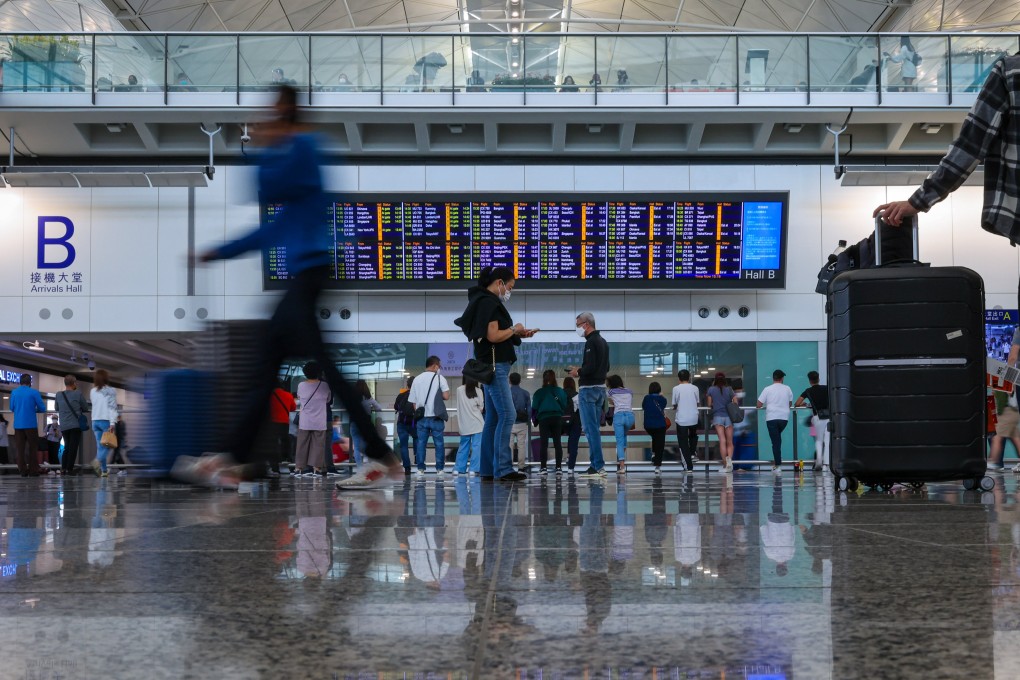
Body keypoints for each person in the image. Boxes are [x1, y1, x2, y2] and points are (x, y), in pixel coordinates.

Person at [190, 85, 397, 490]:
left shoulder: (305, 148)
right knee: (270, 366)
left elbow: (266, 184)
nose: (266, 123)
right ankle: (232, 459)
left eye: (273, 114)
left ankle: (378, 456)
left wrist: (268, 143)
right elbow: (266, 218)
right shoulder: (293, 169)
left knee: (308, 369)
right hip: (305, 276)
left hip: (313, 272)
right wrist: (221, 251)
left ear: (288, 112)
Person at [453, 265, 537, 483]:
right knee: (508, 415)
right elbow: (493, 335)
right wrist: (514, 328)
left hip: (492, 367)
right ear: (499, 283)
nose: (510, 291)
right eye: (509, 287)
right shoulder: (489, 302)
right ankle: (503, 468)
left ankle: (489, 469)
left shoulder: (480, 301)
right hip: (496, 367)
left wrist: (520, 334)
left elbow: (496, 334)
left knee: (492, 419)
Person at [568, 312, 610, 478]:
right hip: (600, 389)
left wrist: (579, 371)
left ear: (586, 324)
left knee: (590, 429)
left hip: (589, 390)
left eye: (578, 324)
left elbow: (590, 367)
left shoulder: (591, 342)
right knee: (594, 429)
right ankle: (596, 465)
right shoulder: (604, 342)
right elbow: (606, 367)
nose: (577, 328)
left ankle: (598, 466)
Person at [409, 356, 450, 477]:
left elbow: (413, 402)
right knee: (439, 443)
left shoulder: (416, 379)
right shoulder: (439, 378)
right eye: (439, 366)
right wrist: (437, 395)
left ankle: (420, 469)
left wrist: (419, 412)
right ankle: (440, 469)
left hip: (422, 418)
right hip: (436, 417)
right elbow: (446, 396)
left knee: (421, 443)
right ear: (435, 366)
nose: (440, 368)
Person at [294, 361, 332, 477]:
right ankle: (317, 468)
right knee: (318, 445)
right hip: (319, 421)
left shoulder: (301, 385)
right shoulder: (324, 386)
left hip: (305, 420)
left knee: (302, 444)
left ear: (305, 373)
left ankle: (299, 468)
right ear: (318, 372)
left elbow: (299, 397)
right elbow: (328, 400)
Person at [532, 370, 569, 474]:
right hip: (557, 418)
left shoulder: (539, 392)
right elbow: (564, 405)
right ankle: (558, 468)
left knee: (544, 443)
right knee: (557, 443)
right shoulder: (560, 391)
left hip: (544, 418)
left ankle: (543, 468)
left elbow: (534, 407)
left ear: (543, 379)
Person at [757, 370, 794, 475]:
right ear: (782, 378)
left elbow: (759, 404)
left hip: (772, 418)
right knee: (777, 439)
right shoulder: (787, 388)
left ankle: (778, 465)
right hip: (784, 419)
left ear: (773, 378)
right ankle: (778, 458)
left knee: (776, 442)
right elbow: (790, 403)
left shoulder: (767, 389)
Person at [794, 371, 831, 472]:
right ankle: (826, 464)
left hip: (817, 417)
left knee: (819, 440)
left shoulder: (808, 391)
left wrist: (805, 405)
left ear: (810, 381)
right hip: (829, 418)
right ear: (818, 379)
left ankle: (818, 460)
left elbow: (797, 403)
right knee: (827, 441)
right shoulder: (826, 388)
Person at [10, 374, 45, 477]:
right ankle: (33, 470)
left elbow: (12, 408)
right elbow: (42, 408)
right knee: (33, 448)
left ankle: (22, 470)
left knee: (20, 449)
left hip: (18, 425)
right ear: (30, 382)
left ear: (20, 382)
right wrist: (34, 410)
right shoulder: (34, 392)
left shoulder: (14, 392)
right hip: (31, 424)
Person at [56, 374, 89, 476]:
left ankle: (63, 469)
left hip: (64, 425)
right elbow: (85, 407)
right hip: (75, 425)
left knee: (67, 447)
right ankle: (70, 469)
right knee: (73, 448)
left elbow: (57, 408)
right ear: (74, 383)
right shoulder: (78, 394)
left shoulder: (58, 394)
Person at [707, 372, 738, 474]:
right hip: (728, 417)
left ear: (715, 379)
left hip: (718, 417)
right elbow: (736, 401)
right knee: (730, 441)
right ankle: (729, 461)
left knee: (722, 441)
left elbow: (709, 404)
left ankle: (725, 465)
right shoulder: (729, 389)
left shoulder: (711, 389)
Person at [89, 369, 119, 478]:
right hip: (105, 421)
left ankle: (104, 471)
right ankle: (97, 461)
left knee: (100, 447)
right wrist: (113, 423)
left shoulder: (92, 391)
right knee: (107, 446)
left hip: (95, 421)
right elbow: (112, 408)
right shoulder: (111, 390)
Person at [671, 369, 700, 473]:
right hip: (693, 417)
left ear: (679, 379)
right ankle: (692, 453)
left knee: (683, 442)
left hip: (681, 419)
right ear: (689, 377)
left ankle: (689, 466)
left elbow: (674, 404)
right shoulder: (695, 388)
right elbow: (697, 403)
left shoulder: (676, 388)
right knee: (693, 435)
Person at [455, 377, 485, 475]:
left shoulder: (459, 390)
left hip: (464, 424)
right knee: (477, 447)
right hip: (477, 423)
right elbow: (481, 408)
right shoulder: (479, 391)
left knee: (463, 446)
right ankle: (473, 469)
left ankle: (459, 468)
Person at [350, 379, 382, 470]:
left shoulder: (352, 398)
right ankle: (368, 467)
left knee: (356, 447)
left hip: (354, 423)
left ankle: (360, 468)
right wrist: (370, 407)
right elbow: (379, 408)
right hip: (366, 424)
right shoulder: (369, 398)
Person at [606, 375, 634, 474]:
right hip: (630, 417)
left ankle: (622, 466)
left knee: (619, 442)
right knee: (624, 436)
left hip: (619, 416)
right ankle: (622, 458)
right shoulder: (630, 391)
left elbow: (608, 400)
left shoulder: (611, 392)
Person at [268, 380, 296, 478]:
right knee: (285, 441)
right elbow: (293, 408)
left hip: (272, 423)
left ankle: (275, 469)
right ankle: (289, 463)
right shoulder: (288, 395)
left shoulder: (269, 396)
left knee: (273, 445)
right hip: (284, 422)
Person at [642, 382, 668, 475]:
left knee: (654, 437)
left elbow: (643, 407)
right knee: (660, 444)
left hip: (648, 425)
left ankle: (653, 454)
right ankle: (657, 466)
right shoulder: (662, 399)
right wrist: (662, 396)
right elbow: (664, 404)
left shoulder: (646, 398)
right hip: (660, 425)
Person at [393, 377, 416, 474]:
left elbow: (396, 407)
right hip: (414, 423)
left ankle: (407, 468)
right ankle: (418, 459)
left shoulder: (401, 395)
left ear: (407, 385)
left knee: (403, 446)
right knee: (418, 441)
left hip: (402, 423)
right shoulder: (418, 396)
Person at [509, 373, 531, 465]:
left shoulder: (506, 393)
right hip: (522, 422)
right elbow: (529, 409)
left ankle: (508, 466)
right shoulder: (525, 393)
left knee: (509, 446)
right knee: (521, 445)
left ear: (509, 381)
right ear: (520, 381)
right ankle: (521, 466)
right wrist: (528, 420)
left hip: (509, 422)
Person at [562, 376, 582, 473]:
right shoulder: (576, 395)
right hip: (575, 422)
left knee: (558, 443)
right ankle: (571, 468)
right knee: (574, 443)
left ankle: (559, 467)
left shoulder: (560, 394)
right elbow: (580, 410)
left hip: (561, 422)